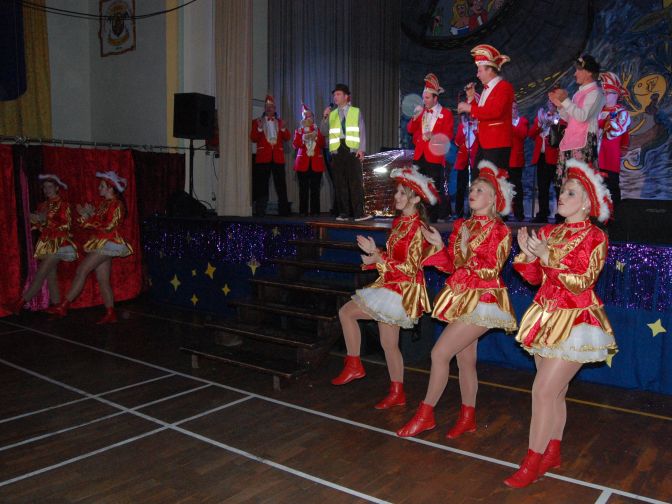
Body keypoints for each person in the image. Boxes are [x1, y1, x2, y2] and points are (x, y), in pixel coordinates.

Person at [504, 158, 616, 488]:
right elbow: (536, 279)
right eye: (562, 191)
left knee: (542, 391)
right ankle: (552, 451)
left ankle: (531, 462)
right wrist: (528, 256)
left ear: (587, 203)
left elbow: (582, 282)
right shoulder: (551, 232)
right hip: (546, 316)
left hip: (577, 319)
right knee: (555, 393)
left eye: (570, 193)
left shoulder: (595, 237)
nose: (561, 197)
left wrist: (546, 256)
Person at [397, 162, 517, 438]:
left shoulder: (499, 230)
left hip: (485, 299)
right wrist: (440, 246)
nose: (473, 192)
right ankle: (468, 418)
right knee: (465, 361)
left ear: (493, 199)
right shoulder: (463, 225)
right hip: (463, 296)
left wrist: (464, 248)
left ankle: (426, 414)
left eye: (480, 190)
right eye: (472, 188)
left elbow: (490, 269)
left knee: (439, 353)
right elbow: (452, 266)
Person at [331, 166, 439, 409]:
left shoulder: (418, 228)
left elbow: (410, 268)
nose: (396, 197)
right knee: (388, 344)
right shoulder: (399, 223)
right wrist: (374, 256)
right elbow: (393, 258)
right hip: (391, 283)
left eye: (402, 193)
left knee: (347, 312)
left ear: (416, 199)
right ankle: (397, 392)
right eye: (396, 192)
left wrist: (378, 257)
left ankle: (354, 364)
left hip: (402, 289)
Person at [48, 171, 133, 324]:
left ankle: (63, 306)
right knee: (102, 279)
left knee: (82, 270)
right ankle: (111, 313)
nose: (99, 188)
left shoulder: (117, 205)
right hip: (100, 242)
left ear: (110, 188)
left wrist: (89, 218)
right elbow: (96, 221)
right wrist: (87, 214)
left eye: (102, 186)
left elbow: (108, 226)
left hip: (109, 243)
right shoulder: (104, 204)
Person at [3, 174, 77, 314]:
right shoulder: (43, 205)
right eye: (44, 187)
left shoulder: (63, 204)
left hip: (59, 243)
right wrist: (35, 220)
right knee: (51, 275)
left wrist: (45, 220)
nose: (47, 190)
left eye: (50, 187)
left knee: (41, 273)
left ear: (57, 188)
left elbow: (66, 225)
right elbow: (41, 225)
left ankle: (20, 303)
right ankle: (58, 307)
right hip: (47, 242)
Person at [457, 44, 514, 172]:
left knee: (493, 180)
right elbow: (481, 113)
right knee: (479, 178)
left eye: (480, 70)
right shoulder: (485, 89)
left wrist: (469, 108)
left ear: (490, 70)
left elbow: (495, 111)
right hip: (484, 143)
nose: (477, 75)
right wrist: (471, 98)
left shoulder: (504, 87)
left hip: (497, 143)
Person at [549, 55, 605, 185]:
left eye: (579, 70)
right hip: (570, 142)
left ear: (589, 72)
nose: (575, 74)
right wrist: (560, 106)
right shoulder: (578, 94)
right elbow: (570, 118)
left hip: (583, 144)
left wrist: (565, 100)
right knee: (567, 185)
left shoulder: (595, 93)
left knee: (581, 185)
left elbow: (582, 116)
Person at [407, 73, 455, 222]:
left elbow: (448, 136)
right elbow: (410, 129)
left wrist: (433, 135)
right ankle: (417, 215)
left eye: (427, 98)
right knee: (417, 186)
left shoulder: (445, 113)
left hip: (434, 157)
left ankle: (431, 217)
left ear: (435, 98)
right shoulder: (421, 112)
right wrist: (415, 117)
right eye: (424, 97)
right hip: (419, 155)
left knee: (432, 187)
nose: (424, 101)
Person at [321, 83, 371, 221]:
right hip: (337, 150)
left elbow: (362, 130)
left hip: (351, 149)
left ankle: (358, 213)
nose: (335, 97)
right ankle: (344, 213)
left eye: (338, 94)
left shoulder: (355, 111)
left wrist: (361, 149)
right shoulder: (332, 114)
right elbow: (323, 132)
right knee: (340, 183)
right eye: (334, 95)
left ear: (346, 96)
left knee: (355, 182)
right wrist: (325, 117)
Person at [250, 95, 291, 217]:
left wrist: (283, 128)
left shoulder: (280, 122)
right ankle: (260, 211)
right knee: (262, 185)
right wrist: (259, 128)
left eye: (271, 106)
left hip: (278, 158)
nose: (269, 108)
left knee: (281, 185)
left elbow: (287, 137)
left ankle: (284, 211)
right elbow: (253, 138)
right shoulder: (257, 121)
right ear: (264, 108)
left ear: (275, 108)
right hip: (263, 158)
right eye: (267, 106)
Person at [597, 72, 631, 207]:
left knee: (612, 184)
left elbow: (616, 130)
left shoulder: (622, 112)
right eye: (604, 93)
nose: (606, 96)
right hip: (597, 153)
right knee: (599, 187)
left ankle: (616, 213)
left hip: (611, 154)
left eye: (609, 93)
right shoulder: (599, 111)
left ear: (617, 94)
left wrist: (603, 123)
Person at [529, 100, 564, 223]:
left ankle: (561, 214)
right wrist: (540, 124)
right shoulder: (542, 117)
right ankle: (543, 213)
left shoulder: (561, 117)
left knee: (558, 188)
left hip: (555, 158)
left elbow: (562, 135)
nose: (551, 105)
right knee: (542, 187)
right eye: (549, 102)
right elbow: (531, 134)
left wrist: (553, 124)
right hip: (542, 157)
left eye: (553, 103)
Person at [292, 103, 325, 216]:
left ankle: (315, 212)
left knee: (315, 189)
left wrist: (316, 137)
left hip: (316, 163)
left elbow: (323, 144)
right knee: (303, 189)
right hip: (302, 163)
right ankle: (303, 212)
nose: (308, 118)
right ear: (303, 118)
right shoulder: (299, 130)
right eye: (306, 116)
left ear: (313, 118)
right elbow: (295, 145)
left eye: (310, 116)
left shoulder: (317, 129)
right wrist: (303, 138)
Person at [453, 112, 480, 219]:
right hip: (463, 160)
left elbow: (481, 141)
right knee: (460, 187)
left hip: (475, 160)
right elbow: (457, 142)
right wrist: (464, 129)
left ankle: (473, 212)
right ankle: (458, 213)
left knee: (475, 187)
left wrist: (475, 128)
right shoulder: (461, 126)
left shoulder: (478, 126)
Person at [509, 101, 529, 221]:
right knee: (504, 187)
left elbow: (523, 134)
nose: (514, 110)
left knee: (517, 187)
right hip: (505, 159)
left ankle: (519, 213)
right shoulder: (506, 122)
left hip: (517, 159)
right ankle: (504, 213)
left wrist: (510, 125)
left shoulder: (523, 121)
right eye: (512, 108)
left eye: (515, 108)